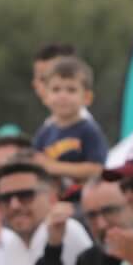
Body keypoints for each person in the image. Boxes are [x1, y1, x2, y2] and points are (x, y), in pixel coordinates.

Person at [34, 54, 110, 191]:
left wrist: (53, 167)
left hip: (83, 200)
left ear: (87, 97)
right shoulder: (44, 133)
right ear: (45, 96)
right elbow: (36, 162)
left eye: (71, 90)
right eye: (56, 89)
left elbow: (96, 169)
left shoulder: (89, 130)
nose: (63, 96)